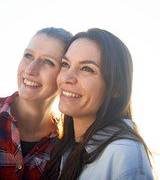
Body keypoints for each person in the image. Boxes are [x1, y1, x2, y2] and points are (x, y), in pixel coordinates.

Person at [42, 28, 154, 180]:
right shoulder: (65, 146)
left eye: (86, 69)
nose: (67, 77)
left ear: (116, 89)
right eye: (66, 64)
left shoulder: (124, 152)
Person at [0, 27, 72, 180]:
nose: (30, 70)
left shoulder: (65, 146)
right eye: (28, 55)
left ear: (64, 74)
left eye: (48, 62)